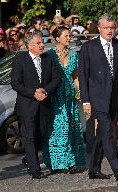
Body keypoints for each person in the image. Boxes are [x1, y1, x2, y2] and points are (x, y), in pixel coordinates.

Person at [78, 13, 118, 181]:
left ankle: (94, 169)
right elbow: (83, 76)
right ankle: (117, 168)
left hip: (114, 97)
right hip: (97, 98)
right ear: (99, 28)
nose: (109, 31)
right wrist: (86, 100)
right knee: (109, 131)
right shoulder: (89, 47)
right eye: (106, 28)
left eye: (112, 28)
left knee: (102, 134)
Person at [11, 30, 60, 179]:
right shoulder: (20, 59)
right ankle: (34, 169)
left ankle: (28, 159)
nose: (41, 45)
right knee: (29, 136)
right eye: (38, 43)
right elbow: (15, 83)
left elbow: (57, 79)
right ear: (29, 46)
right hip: (27, 106)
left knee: (40, 134)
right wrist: (34, 93)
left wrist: (45, 91)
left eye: (42, 42)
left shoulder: (48, 58)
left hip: (44, 105)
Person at [42, 25, 86, 173]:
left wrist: (80, 92)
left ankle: (71, 161)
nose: (69, 38)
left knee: (72, 129)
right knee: (58, 129)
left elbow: (75, 76)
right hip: (55, 98)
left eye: (69, 35)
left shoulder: (74, 55)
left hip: (69, 98)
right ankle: (56, 163)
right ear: (57, 38)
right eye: (66, 35)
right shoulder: (49, 55)